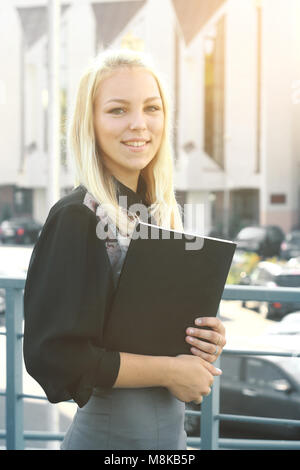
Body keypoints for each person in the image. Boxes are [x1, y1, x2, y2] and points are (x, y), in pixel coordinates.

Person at [23, 49, 226, 450]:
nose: (139, 124)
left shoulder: (159, 214)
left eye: (152, 108)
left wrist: (204, 338)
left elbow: (147, 332)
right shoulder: (76, 217)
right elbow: (54, 355)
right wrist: (169, 371)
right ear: (91, 123)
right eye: (118, 110)